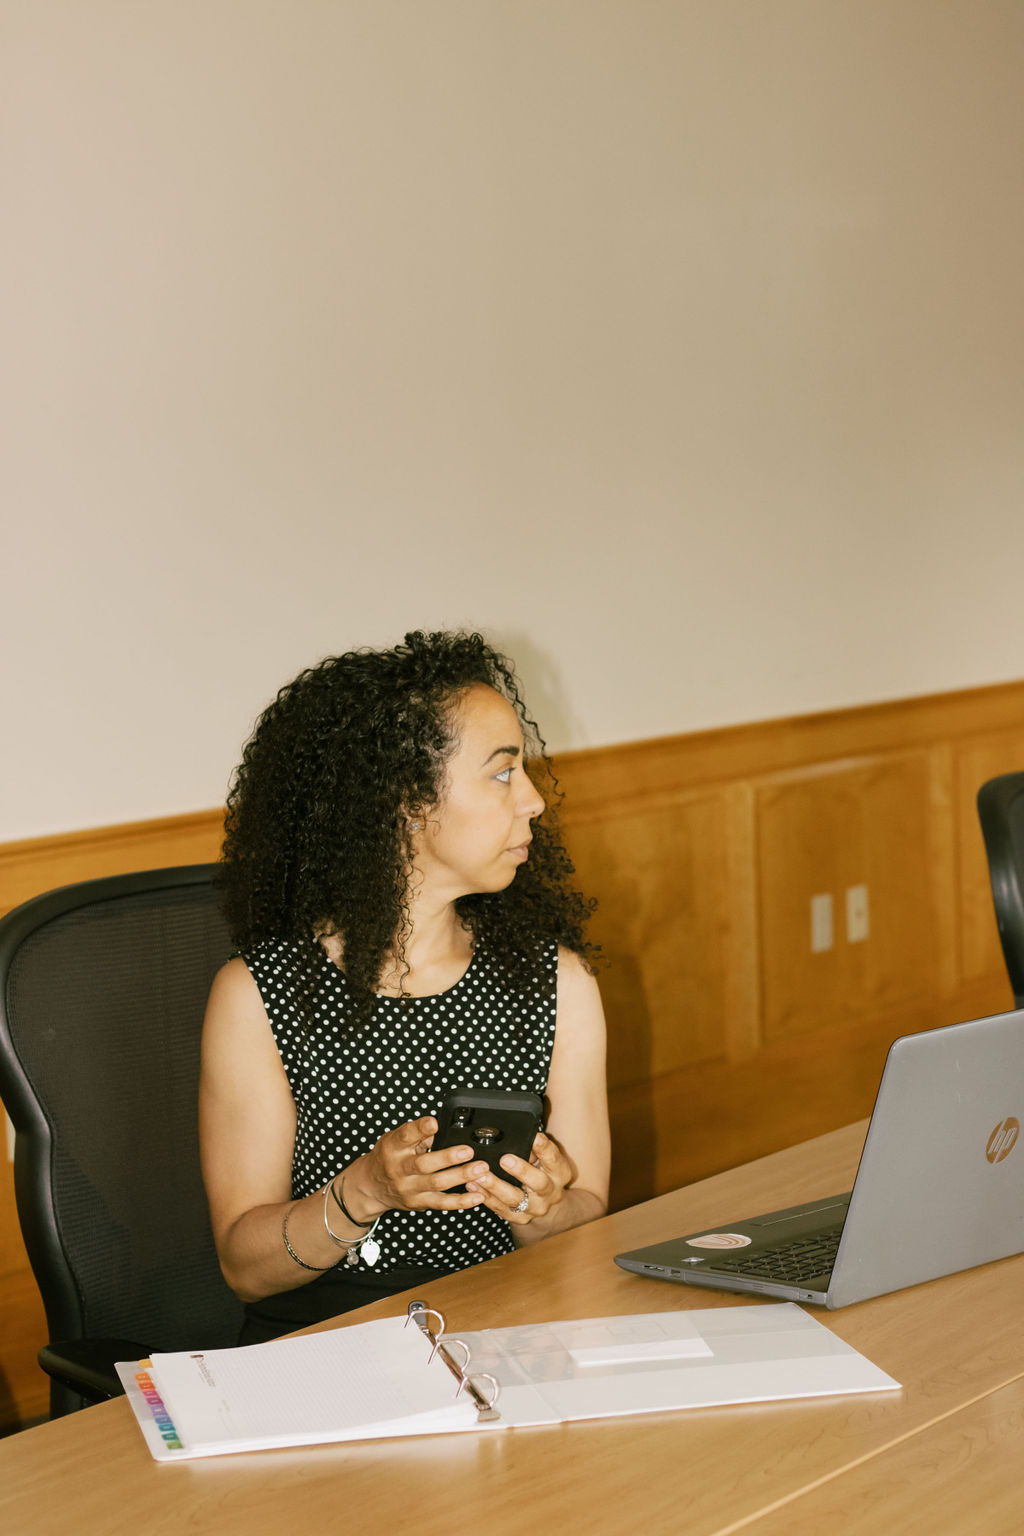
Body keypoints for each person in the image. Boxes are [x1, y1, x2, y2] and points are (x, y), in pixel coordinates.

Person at [200, 629, 609, 1342]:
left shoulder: (557, 983)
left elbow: (589, 1216)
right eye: (503, 773)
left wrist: (541, 1209)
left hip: (508, 1338)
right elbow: (246, 1267)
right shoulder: (260, 996)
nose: (535, 802)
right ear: (408, 800)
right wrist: (367, 1190)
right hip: (327, 1351)